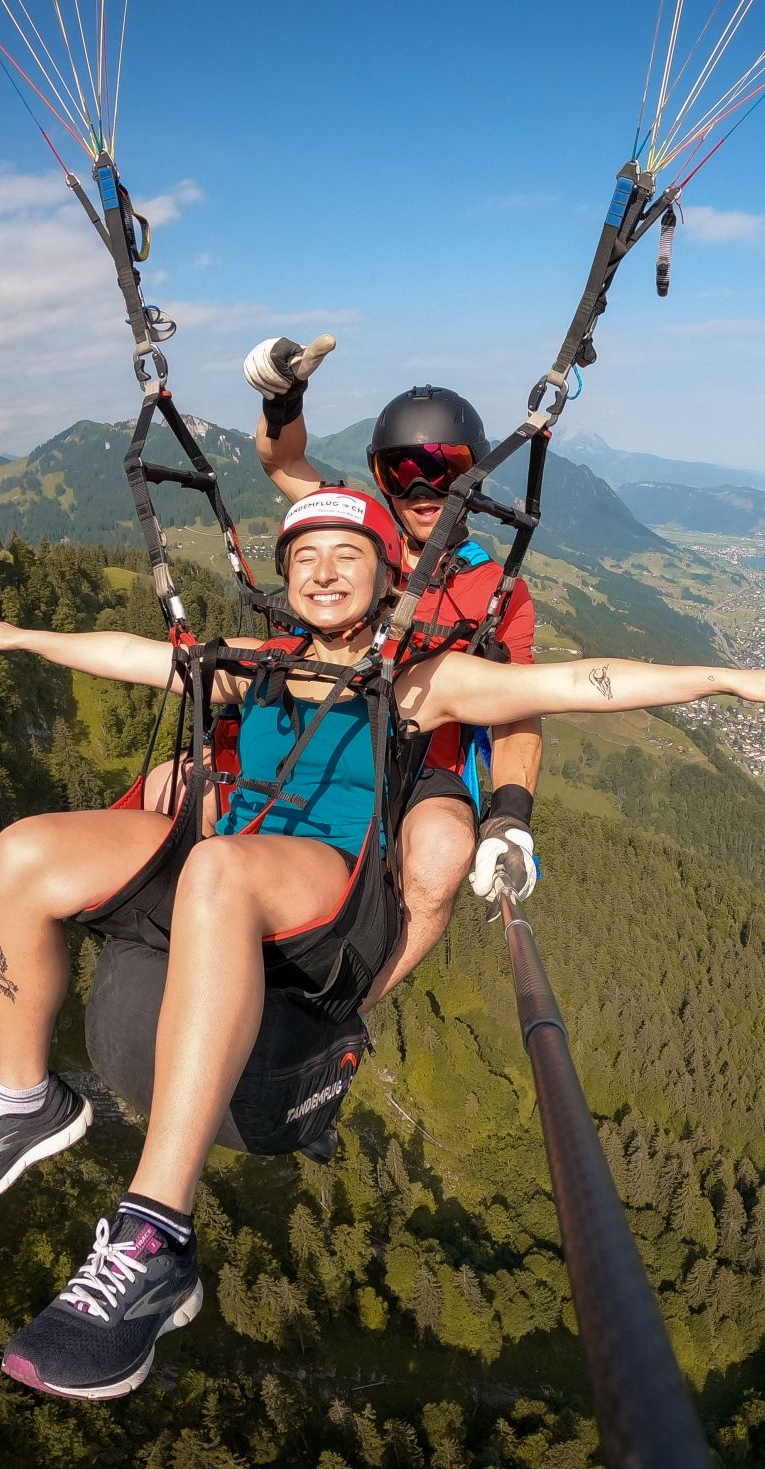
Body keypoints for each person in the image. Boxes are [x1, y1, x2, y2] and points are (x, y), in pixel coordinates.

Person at [0, 487, 765, 1400]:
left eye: (346, 556)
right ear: (284, 582)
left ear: (390, 579)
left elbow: (568, 684)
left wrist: (719, 680)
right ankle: (26, 1098)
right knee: (22, 854)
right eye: (305, 558)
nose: (323, 573)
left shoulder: (419, 680)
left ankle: (155, 1235)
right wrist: (33, 641)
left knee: (218, 868)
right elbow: (140, 659)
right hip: (234, 860)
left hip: (328, 886)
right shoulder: (261, 665)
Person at [243, 337, 538, 1005]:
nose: (424, 488)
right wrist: (282, 395)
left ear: (472, 475)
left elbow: (517, 707)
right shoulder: (359, 534)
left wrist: (510, 813)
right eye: (403, 471)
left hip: (418, 762)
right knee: (178, 786)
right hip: (323, 730)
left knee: (437, 857)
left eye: (445, 467)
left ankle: (356, 1008)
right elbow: (281, 459)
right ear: (381, 477)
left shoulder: (496, 594)